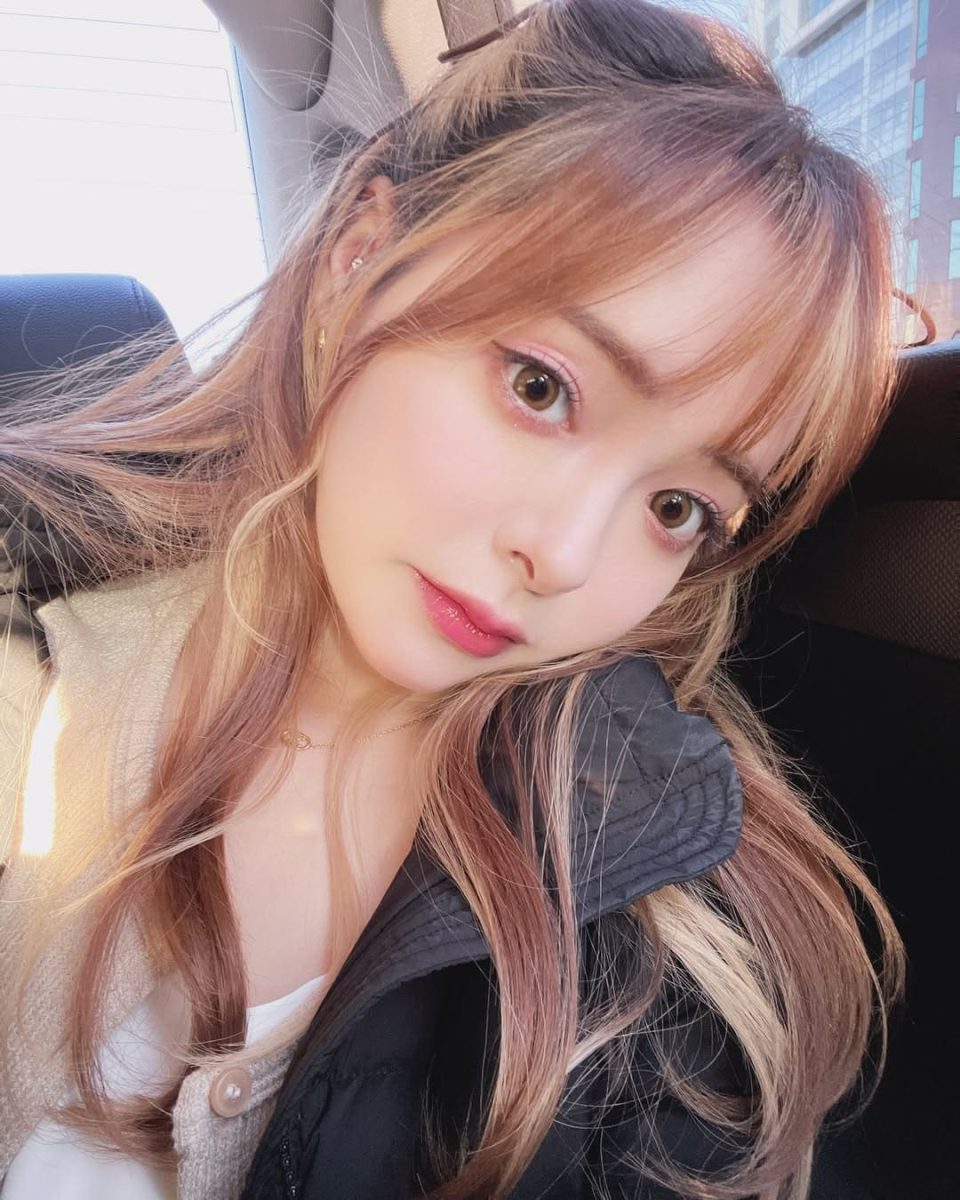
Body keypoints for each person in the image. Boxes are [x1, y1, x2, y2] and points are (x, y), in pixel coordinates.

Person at [0, 1, 905, 1197]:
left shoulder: (661, 923)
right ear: (359, 261)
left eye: (678, 506)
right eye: (541, 387)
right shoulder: (33, 682)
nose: (564, 557)